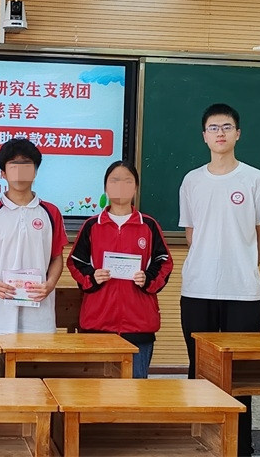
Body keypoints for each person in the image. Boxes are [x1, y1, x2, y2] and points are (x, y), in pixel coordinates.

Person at [179, 103, 260, 456]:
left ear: (238, 134)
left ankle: (240, 447)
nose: (220, 133)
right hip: (197, 289)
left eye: (227, 127)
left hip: (243, 292)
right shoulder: (192, 180)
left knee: (239, 374)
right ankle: (199, 444)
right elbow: (191, 234)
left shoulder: (256, 179)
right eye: (213, 128)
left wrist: (241, 265)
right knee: (199, 369)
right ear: (204, 136)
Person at [67, 160, 173, 378]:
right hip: (98, 323)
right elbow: (75, 262)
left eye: (127, 181)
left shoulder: (149, 225)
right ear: (105, 187)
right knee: (94, 390)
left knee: (135, 390)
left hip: (139, 325)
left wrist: (147, 279)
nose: (121, 186)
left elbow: (164, 262)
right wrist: (92, 277)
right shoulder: (92, 225)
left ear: (136, 188)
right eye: (114, 181)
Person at [0, 138, 68, 334]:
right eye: (13, 166)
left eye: (26, 165)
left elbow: (56, 257)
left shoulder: (51, 212)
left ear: (35, 171)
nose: (20, 172)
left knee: (36, 355)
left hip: (39, 316)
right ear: (3, 172)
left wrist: (50, 284)